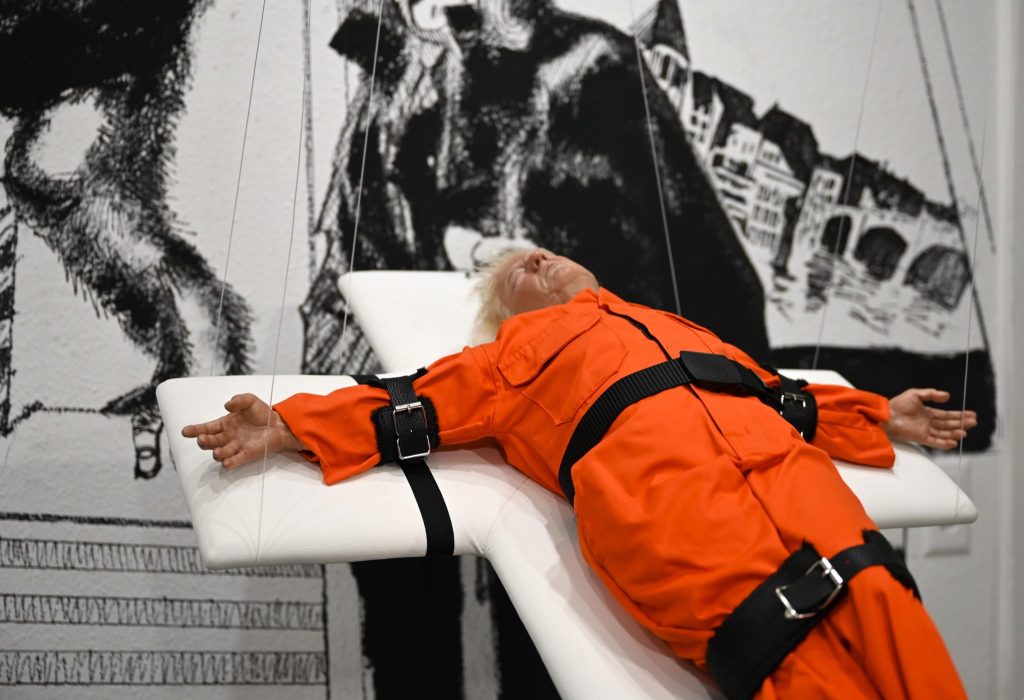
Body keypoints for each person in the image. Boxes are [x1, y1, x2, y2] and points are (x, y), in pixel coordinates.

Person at [184, 248, 976, 699]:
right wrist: (291, 425)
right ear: (507, 316)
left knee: (881, 597)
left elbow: (783, 398)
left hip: (794, 483)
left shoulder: (681, 328)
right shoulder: (510, 356)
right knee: (784, 649)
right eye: (514, 275)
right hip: (676, 506)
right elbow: (411, 405)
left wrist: (883, 416)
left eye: (541, 253)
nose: (532, 259)